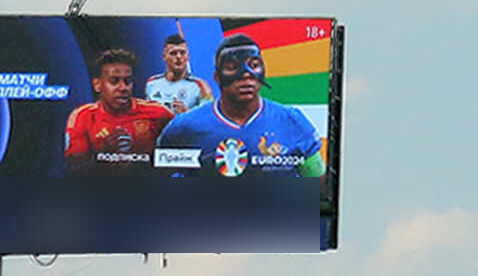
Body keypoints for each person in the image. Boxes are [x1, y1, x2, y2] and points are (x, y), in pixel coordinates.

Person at [155, 32, 324, 178]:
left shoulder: (292, 121)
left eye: (254, 66)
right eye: (232, 67)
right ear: (217, 77)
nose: (246, 75)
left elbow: (319, 187)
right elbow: (158, 180)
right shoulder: (184, 127)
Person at [63, 48, 172, 173]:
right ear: (97, 85)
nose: (123, 88)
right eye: (114, 81)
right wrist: (105, 154)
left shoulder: (158, 113)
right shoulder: (83, 116)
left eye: (127, 81)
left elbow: (181, 158)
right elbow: (73, 170)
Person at [143, 31, 207, 114]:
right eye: (173, 53)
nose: (178, 57)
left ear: (188, 57)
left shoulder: (200, 86)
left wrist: (186, 113)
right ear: (164, 57)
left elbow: (207, 115)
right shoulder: (152, 83)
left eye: (182, 53)